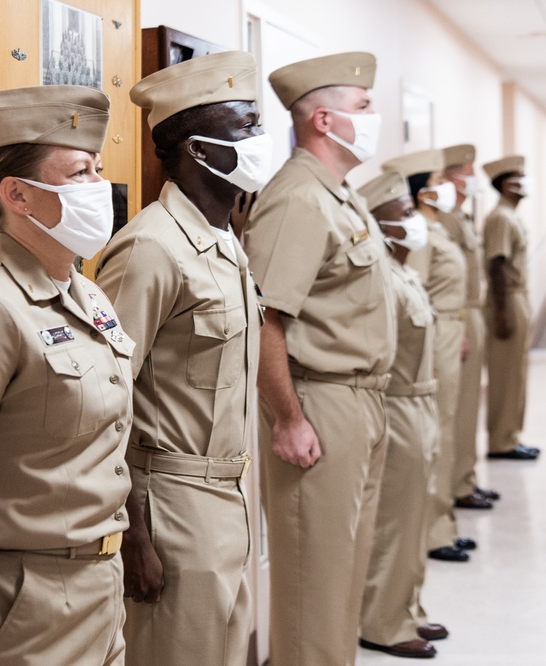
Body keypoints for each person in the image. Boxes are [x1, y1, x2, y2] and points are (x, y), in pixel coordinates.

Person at [0, 85, 134, 666]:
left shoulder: (85, 294)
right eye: (80, 172)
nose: (99, 188)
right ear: (18, 195)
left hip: (100, 584)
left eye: (98, 170)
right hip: (25, 601)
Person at [94, 51, 266, 666]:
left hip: (232, 492)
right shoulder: (149, 249)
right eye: (244, 127)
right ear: (196, 149)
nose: (259, 139)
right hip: (169, 505)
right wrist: (133, 534)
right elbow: (102, 402)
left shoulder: (223, 241)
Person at [243, 51, 396, 666]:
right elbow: (264, 319)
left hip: (361, 398)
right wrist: (288, 417)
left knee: (342, 574)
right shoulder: (298, 198)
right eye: (364, 107)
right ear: (326, 121)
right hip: (319, 403)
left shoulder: (337, 194)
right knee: (315, 583)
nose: (375, 116)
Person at [356, 172, 443, 659]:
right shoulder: (382, 276)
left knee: (416, 519)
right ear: (380, 224)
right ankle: (382, 623)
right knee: (395, 524)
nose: (414, 219)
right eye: (403, 212)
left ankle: (408, 608)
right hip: (399, 404)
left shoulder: (405, 269)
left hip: (422, 402)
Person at [381, 150, 474, 564]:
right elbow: (412, 294)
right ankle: (435, 531)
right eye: (437, 179)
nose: (446, 187)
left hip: (449, 330)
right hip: (431, 339)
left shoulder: (441, 229)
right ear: (421, 190)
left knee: (447, 429)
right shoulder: (419, 235)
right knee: (438, 432)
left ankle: (443, 522)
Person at [439, 144, 500, 507]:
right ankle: (457, 486)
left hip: (472, 313)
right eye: (468, 172)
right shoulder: (447, 217)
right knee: (458, 411)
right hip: (458, 316)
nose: (474, 179)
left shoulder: (460, 216)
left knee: (469, 407)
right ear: (450, 177)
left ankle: (466, 477)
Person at [482, 156, 540, 460]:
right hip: (507, 298)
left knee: (516, 373)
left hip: (517, 296)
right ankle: (501, 442)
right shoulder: (501, 218)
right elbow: (496, 266)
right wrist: (503, 312)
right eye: (520, 176)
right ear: (507, 184)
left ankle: (511, 436)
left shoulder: (510, 216)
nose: (526, 181)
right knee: (505, 375)